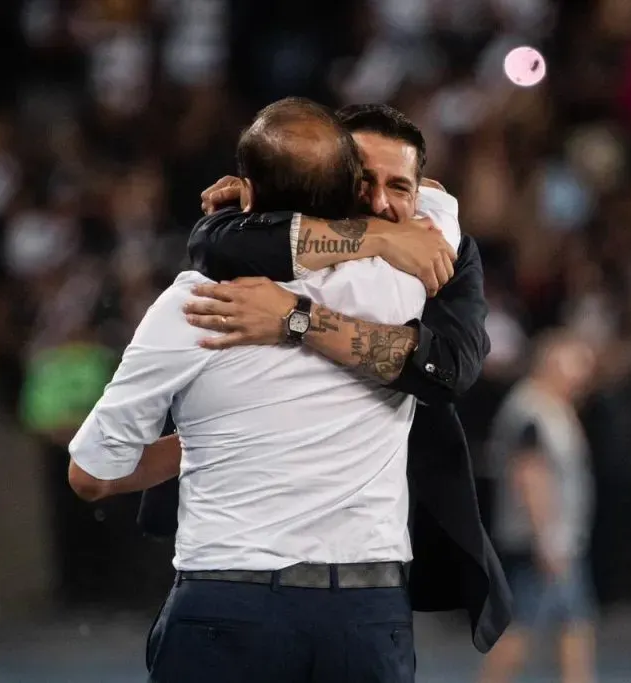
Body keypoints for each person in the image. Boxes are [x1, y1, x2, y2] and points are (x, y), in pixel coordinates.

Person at [68, 97, 461, 682]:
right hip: (364, 614)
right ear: (351, 193)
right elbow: (428, 196)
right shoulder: (403, 281)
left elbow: (92, 475)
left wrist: (207, 443)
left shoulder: (193, 306)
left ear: (244, 192)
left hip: (229, 609)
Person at [146, 102, 512, 654]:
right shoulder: (256, 227)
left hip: (368, 563)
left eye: (398, 187)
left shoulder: (444, 250)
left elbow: (449, 370)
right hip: (238, 545)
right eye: (361, 180)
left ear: (421, 192)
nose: (380, 202)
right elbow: (210, 242)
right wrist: (379, 240)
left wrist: (297, 319)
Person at [479, 330, 597, 683]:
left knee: (574, 625)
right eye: (578, 367)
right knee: (521, 628)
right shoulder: (531, 410)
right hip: (541, 541)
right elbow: (529, 474)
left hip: (557, 539)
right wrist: (547, 539)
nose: (584, 377)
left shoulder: (552, 408)